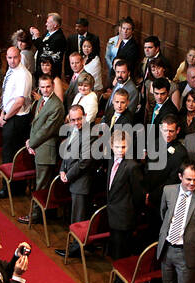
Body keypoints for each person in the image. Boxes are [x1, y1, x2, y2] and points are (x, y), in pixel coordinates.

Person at [22, 74, 64, 225]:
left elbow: (47, 130)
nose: (45, 90)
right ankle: (47, 214)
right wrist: (30, 142)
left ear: (52, 86)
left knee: (42, 185)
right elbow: (36, 124)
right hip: (38, 146)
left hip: (46, 150)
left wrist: (31, 143)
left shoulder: (56, 106)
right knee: (41, 183)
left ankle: (35, 215)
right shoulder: (41, 100)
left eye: (48, 87)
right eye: (42, 87)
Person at [0, 45, 34, 200]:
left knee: (10, 155)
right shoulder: (12, 70)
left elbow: (19, 102)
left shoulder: (23, 74)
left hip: (17, 119)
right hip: (9, 114)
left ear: (20, 56)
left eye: (15, 57)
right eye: (9, 58)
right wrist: (3, 112)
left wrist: (5, 117)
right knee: (8, 152)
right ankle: (13, 187)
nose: (12, 60)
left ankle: (9, 188)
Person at [53, 105, 94, 258]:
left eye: (79, 119)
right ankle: (79, 246)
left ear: (84, 116)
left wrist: (68, 175)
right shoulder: (74, 130)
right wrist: (62, 169)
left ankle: (76, 249)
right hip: (74, 179)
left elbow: (84, 162)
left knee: (78, 219)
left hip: (81, 183)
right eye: (73, 120)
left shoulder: (89, 134)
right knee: (77, 216)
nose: (76, 122)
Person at [103, 129, 143, 262]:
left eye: (124, 147)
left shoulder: (132, 166)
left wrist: (132, 214)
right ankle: (114, 281)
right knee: (114, 252)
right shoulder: (111, 160)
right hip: (112, 214)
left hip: (124, 218)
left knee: (121, 255)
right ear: (112, 146)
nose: (120, 150)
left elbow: (138, 195)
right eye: (117, 147)